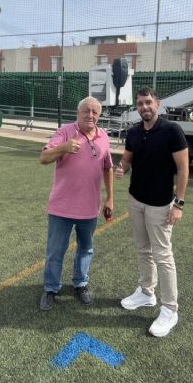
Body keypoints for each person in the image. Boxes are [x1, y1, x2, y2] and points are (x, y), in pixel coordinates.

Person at [115, 86, 189, 337]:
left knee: (163, 255)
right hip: (136, 201)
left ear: (157, 103)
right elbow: (127, 159)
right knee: (143, 249)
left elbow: (183, 169)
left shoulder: (172, 131)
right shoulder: (134, 132)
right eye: (140, 104)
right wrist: (121, 168)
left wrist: (178, 204)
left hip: (160, 205)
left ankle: (170, 308)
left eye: (148, 102)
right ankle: (147, 293)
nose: (144, 107)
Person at [39, 96, 114, 311]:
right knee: (55, 251)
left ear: (99, 116)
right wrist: (63, 147)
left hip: (89, 209)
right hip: (61, 208)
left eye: (95, 112)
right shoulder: (65, 132)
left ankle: (80, 284)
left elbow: (108, 167)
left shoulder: (103, 137)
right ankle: (51, 288)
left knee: (86, 249)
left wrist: (110, 198)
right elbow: (43, 158)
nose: (90, 115)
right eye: (86, 111)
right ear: (78, 112)